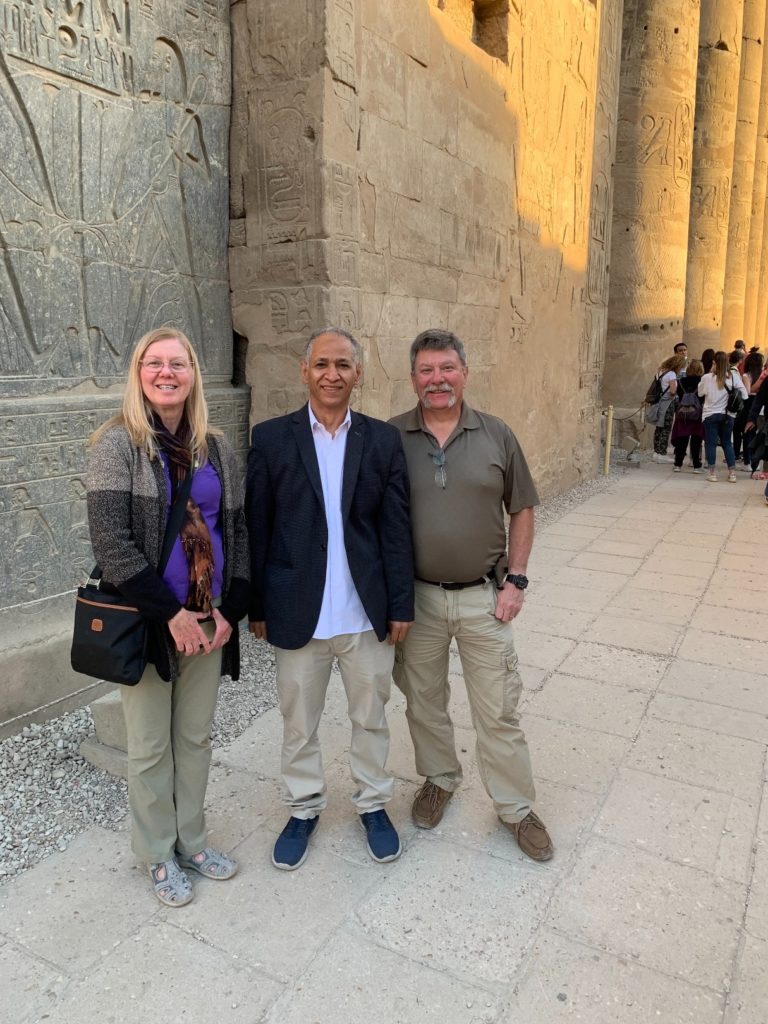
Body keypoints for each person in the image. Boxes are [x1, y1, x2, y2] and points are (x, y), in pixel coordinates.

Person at [86, 327, 250, 907]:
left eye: (176, 363)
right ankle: (157, 853)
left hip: (209, 620)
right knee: (152, 745)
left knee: (196, 737)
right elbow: (112, 543)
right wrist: (170, 613)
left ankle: (193, 840)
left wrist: (230, 607)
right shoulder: (117, 445)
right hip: (151, 621)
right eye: (153, 363)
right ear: (138, 374)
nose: (165, 373)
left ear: (192, 374)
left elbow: (236, 528)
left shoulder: (217, 446)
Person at [246, 327, 414, 871]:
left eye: (343, 364)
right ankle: (303, 807)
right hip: (298, 610)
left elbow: (395, 529)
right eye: (322, 364)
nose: (331, 374)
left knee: (371, 718)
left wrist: (400, 605)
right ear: (304, 370)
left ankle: (372, 804)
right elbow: (258, 527)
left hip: (364, 612)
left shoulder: (382, 441)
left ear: (357, 373)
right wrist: (258, 607)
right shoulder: (271, 439)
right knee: (300, 723)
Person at [390, 329, 552, 862]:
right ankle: (439, 778)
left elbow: (522, 507)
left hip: (486, 597)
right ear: (413, 378)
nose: (437, 379)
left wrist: (517, 579)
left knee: (499, 709)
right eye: (426, 371)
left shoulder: (497, 435)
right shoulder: (391, 438)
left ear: (464, 372)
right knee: (424, 702)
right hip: (418, 600)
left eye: (447, 368)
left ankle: (516, 808)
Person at [698, 349, 748, 482]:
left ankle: (712, 473)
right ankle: (732, 473)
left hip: (710, 414)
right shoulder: (733, 377)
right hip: (728, 415)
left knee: (711, 443)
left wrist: (711, 371)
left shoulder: (707, 378)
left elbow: (700, 393)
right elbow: (745, 394)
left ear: (714, 363)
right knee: (727, 443)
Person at [670, 358, 705, 473]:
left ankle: (678, 464)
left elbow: (677, 395)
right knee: (696, 440)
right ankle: (696, 465)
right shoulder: (702, 381)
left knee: (682, 440)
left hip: (683, 413)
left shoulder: (681, 381)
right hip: (697, 414)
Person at [650, 354, 686, 463]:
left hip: (659, 403)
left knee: (659, 428)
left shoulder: (660, 372)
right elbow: (673, 391)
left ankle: (656, 452)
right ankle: (662, 453)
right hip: (668, 404)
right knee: (666, 428)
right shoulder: (671, 374)